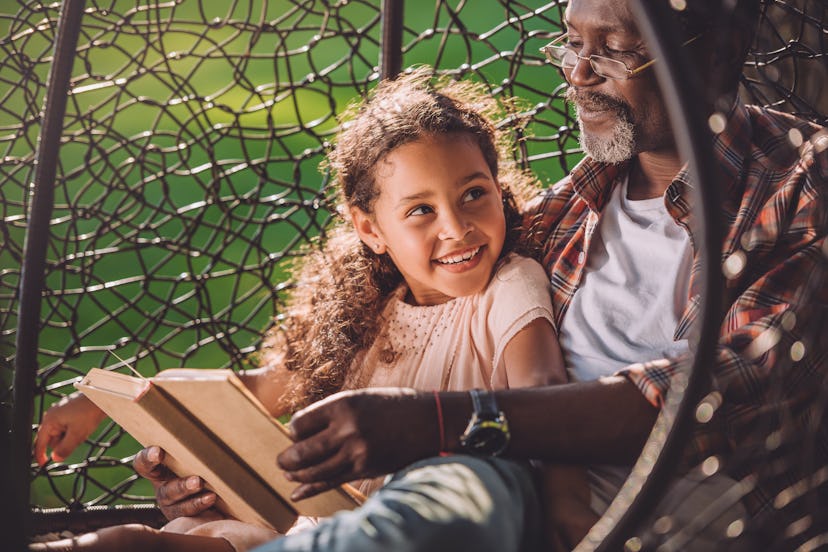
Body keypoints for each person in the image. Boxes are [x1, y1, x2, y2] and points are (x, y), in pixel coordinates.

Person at [139, 0, 822, 549]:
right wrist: (217, 466)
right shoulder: (568, 208)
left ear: (720, 52)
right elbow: (397, 300)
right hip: (479, 478)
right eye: (571, 43)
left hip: (652, 504)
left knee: (458, 491)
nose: (578, 74)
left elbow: (717, 394)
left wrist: (445, 420)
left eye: (612, 48)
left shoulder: (799, 186)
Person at [30, 70, 572, 551]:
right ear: (370, 229)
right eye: (421, 210)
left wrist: (572, 513)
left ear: (500, 191)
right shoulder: (369, 315)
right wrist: (104, 402)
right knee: (182, 532)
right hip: (321, 526)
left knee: (159, 544)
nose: (456, 228)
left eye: (474, 194)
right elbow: (254, 391)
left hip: (429, 524)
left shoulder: (509, 285)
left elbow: (543, 397)